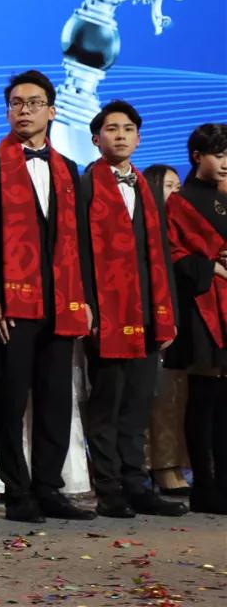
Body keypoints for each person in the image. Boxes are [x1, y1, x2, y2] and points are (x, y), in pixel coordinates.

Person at [0, 70, 96, 523]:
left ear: (52, 110)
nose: (25, 111)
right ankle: (17, 492)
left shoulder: (69, 168)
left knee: (56, 398)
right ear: (7, 111)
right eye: (16, 103)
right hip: (11, 304)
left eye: (34, 103)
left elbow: (78, 240)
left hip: (61, 301)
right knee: (10, 400)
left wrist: (85, 299)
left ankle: (49, 488)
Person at [79, 101, 187, 518]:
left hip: (146, 310)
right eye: (111, 129)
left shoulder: (145, 187)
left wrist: (167, 313)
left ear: (139, 138)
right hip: (107, 312)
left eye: (127, 129)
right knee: (107, 402)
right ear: (96, 139)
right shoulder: (86, 185)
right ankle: (109, 490)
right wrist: (86, 306)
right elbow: (77, 252)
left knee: (138, 403)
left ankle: (137, 484)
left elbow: (159, 254)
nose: (120, 135)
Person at [164, 123, 227, 515]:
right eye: (219, 155)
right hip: (203, 307)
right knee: (205, 397)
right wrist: (215, 268)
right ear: (197, 156)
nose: (225, 162)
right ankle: (204, 485)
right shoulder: (180, 202)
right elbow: (173, 254)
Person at [143, 164, 191, 496]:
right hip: (154, 317)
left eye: (178, 186)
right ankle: (159, 465)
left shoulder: (186, 225)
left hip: (187, 315)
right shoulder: (145, 226)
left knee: (179, 397)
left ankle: (176, 462)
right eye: (167, 186)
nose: (175, 193)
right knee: (158, 396)